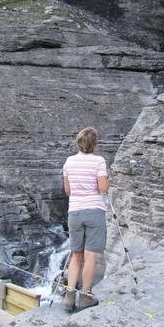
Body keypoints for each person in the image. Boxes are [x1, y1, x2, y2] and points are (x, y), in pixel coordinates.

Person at [62, 126, 109, 312]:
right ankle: (85, 297)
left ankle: (69, 296)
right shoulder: (99, 161)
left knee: (76, 255)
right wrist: (108, 180)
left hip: (74, 212)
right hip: (94, 211)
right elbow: (103, 188)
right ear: (94, 143)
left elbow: (68, 191)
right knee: (90, 255)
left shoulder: (68, 162)